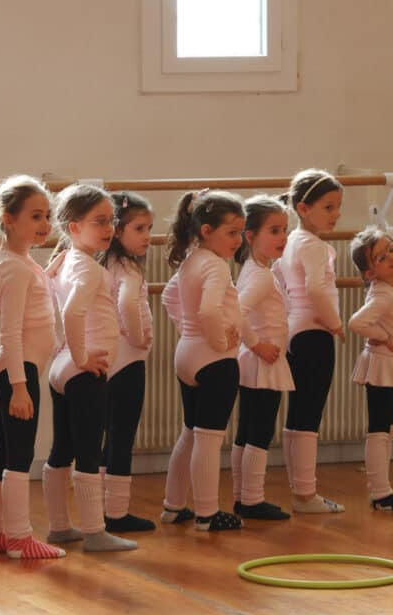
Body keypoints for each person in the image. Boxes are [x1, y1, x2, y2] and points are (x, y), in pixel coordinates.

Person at [0, 175, 65, 560]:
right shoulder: (15, 268)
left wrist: (52, 269)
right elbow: (9, 334)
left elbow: (34, 301)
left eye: (48, 217)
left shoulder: (23, 262)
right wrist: (20, 386)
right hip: (18, 372)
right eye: (36, 217)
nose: (45, 225)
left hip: (18, 370)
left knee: (3, 453)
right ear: (8, 219)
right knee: (19, 456)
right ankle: (19, 537)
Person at [40, 184, 135, 552]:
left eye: (111, 220)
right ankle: (95, 531)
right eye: (99, 221)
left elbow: (54, 300)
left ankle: (60, 527)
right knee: (88, 451)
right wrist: (81, 358)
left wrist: (70, 356)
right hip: (83, 370)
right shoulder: (89, 270)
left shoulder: (68, 261)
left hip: (63, 367)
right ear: (73, 226)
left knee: (62, 448)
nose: (109, 228)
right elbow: (70, 311)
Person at [160, 189, 249, 532]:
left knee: (190, 433)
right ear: (207, 230)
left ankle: (173, 504)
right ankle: (208, 514)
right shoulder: (215, 266)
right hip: (214, 360)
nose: (237, 240)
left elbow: (170, 296)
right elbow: (209, 309)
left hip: (187, 354)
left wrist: (188, 329)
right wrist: (218, 339)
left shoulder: (191, 259)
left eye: (240, 232)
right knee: (209, 438)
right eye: (231, 233)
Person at [275, 168, 348, 513]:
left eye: (337, 208)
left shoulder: (290, 241)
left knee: (299, 414)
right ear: (303, 208)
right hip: (314, 333)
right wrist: (334, 323)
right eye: (328, 207)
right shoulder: (314, 245)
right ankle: (304, 494)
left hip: (295, 331)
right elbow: (317, 289)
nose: (336, 215)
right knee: (309, 415)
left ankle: (301, 491)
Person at [229, 196, 294, 521]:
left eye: (284, 230)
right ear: (250, 236)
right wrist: (256, 344)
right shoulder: (261, 275)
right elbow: (236, 312)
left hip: (255, 361)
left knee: (248, 429)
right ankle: (252, 499)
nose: (283, 237)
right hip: (261, 361)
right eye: (274, 230)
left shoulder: (255, 270)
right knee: (259, 430)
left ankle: (243, 497)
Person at [346, 227, 393, 511]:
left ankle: (383, 489)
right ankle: (380, 494)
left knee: (390, 425)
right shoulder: (382, 295)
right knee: (379, 427)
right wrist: (382, 336)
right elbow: (356, 323)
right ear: (370, 274)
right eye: (380, 258)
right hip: (381, 364)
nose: (391, 256)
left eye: (391, 248)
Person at [98, 191, 156, 532]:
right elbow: (127, 305)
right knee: (122, 435)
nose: (147, 235)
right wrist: (136, 337)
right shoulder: (128, 269)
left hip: (110, 360)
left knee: (109, 434)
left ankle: (106, 508)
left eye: (149, 228)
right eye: (139, 228)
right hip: (128, 360)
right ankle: (117, 513)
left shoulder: (105, 263)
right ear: (118, 231)